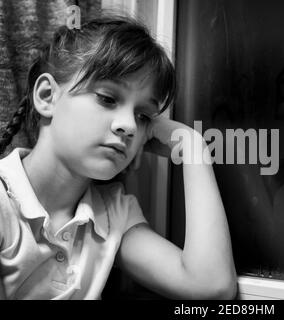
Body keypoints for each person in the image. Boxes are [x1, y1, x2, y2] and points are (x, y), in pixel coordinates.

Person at [0, 14, 237, 300]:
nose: (130, 126)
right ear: (48, 96)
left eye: (143, 115)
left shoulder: (113, 212)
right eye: (107, 99)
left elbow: (210, 285)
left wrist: (193, 148)